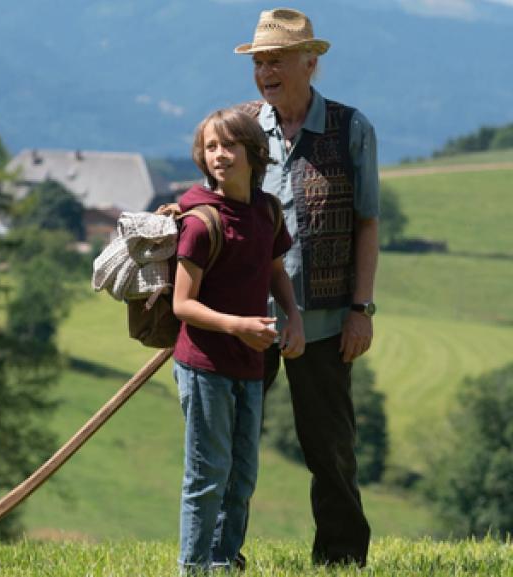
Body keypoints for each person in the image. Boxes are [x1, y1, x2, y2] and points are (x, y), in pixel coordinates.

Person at [234, 7, 380, 567]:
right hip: (250, 322)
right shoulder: (241, 129)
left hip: (323, 324)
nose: (266, 72)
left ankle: (341, 557)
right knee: (236, 445)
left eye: (276, 61)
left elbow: (368, 223)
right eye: (259, 63)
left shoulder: (351, 128)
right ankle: (221, 554)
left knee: (330, 448)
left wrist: (361, 309)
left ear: (310, 62)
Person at [170, 107, 305, 573]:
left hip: (251, 363)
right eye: (210, 147)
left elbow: (274, 270)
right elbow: (182, 305)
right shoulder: (200, 221)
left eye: (229, 145)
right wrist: (239, 326)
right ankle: (193, 566)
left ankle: (225, 561)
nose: (219, 155)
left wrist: (294, 319)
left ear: (254, 152)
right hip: (205, 364)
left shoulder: (266, 210)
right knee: (207, 475)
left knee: (242, 475)